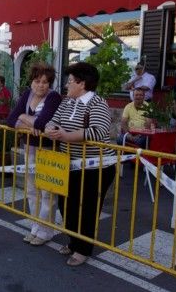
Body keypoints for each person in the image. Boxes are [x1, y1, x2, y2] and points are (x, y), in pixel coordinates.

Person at [45, 62, 115, 266]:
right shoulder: (67, 102)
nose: (66, 85)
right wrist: (51, 129)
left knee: (88, 209)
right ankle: (74, 241)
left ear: (82, 84)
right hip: (71, 163)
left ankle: (83, 249)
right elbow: (53, 120)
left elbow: (98, 131)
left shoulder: (98, 103)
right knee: (67, 205)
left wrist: (65, 136)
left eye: (70, 81)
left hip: (96, 167)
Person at [6, 63, 62, 245]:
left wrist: (24, 118)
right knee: (32, 190)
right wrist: (28, 120)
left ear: (50, 84)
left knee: (47, 192)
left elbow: (43, 122)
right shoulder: (26, 95)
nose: (41, 85)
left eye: (45, 82)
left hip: (49, 150)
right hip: (29, 148)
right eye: (37, 81)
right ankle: (35, 227)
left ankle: (46, 231)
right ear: (32, 82)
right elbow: (10, 119)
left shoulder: (54, 97)